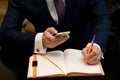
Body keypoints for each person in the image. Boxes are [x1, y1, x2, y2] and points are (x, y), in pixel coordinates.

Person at [0, 0, 111, 80]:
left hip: (84, 55)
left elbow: (101, 17)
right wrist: (40, 39)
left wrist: (97, 45)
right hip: (44, 60)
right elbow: (5, 33)